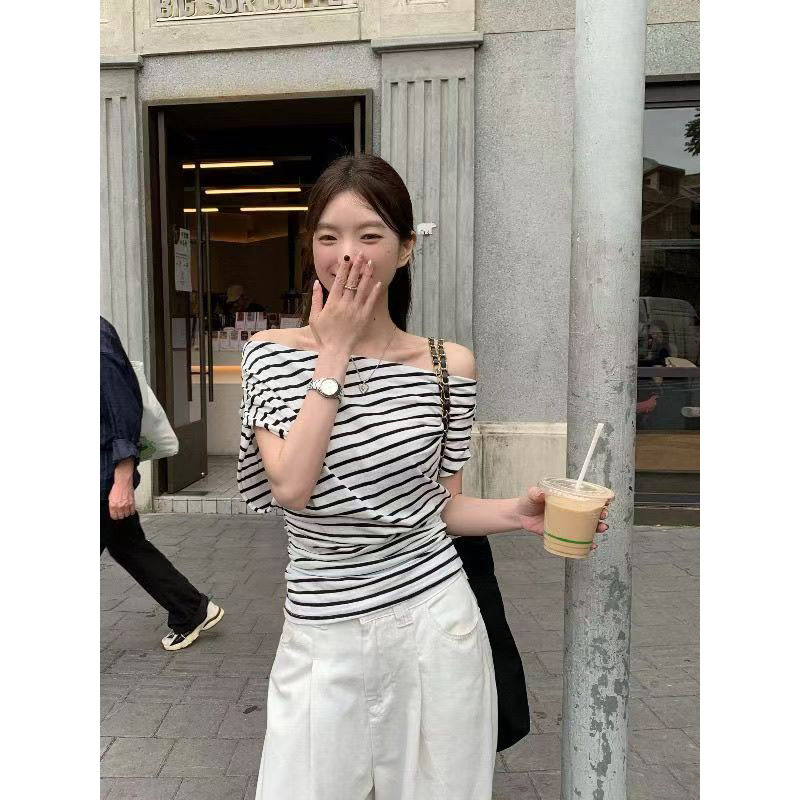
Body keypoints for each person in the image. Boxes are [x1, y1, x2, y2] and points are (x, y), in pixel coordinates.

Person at [237, 154, 612, 799]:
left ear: (406, 248)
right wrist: (335, 350)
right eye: (328, 236)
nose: (347, 254)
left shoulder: (447, 366)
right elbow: (292, 487)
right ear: (311, 247)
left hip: (437, 622)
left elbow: (440, 507)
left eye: (369, 235)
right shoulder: (269, 355)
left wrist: (517, 513)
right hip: (323, 632)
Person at [100, 316, 224, 651]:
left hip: (102, 475)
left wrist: (122, 479)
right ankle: (190, 608)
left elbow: (122, 411)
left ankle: (191, 608)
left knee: (128, 545)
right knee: (129, 546)